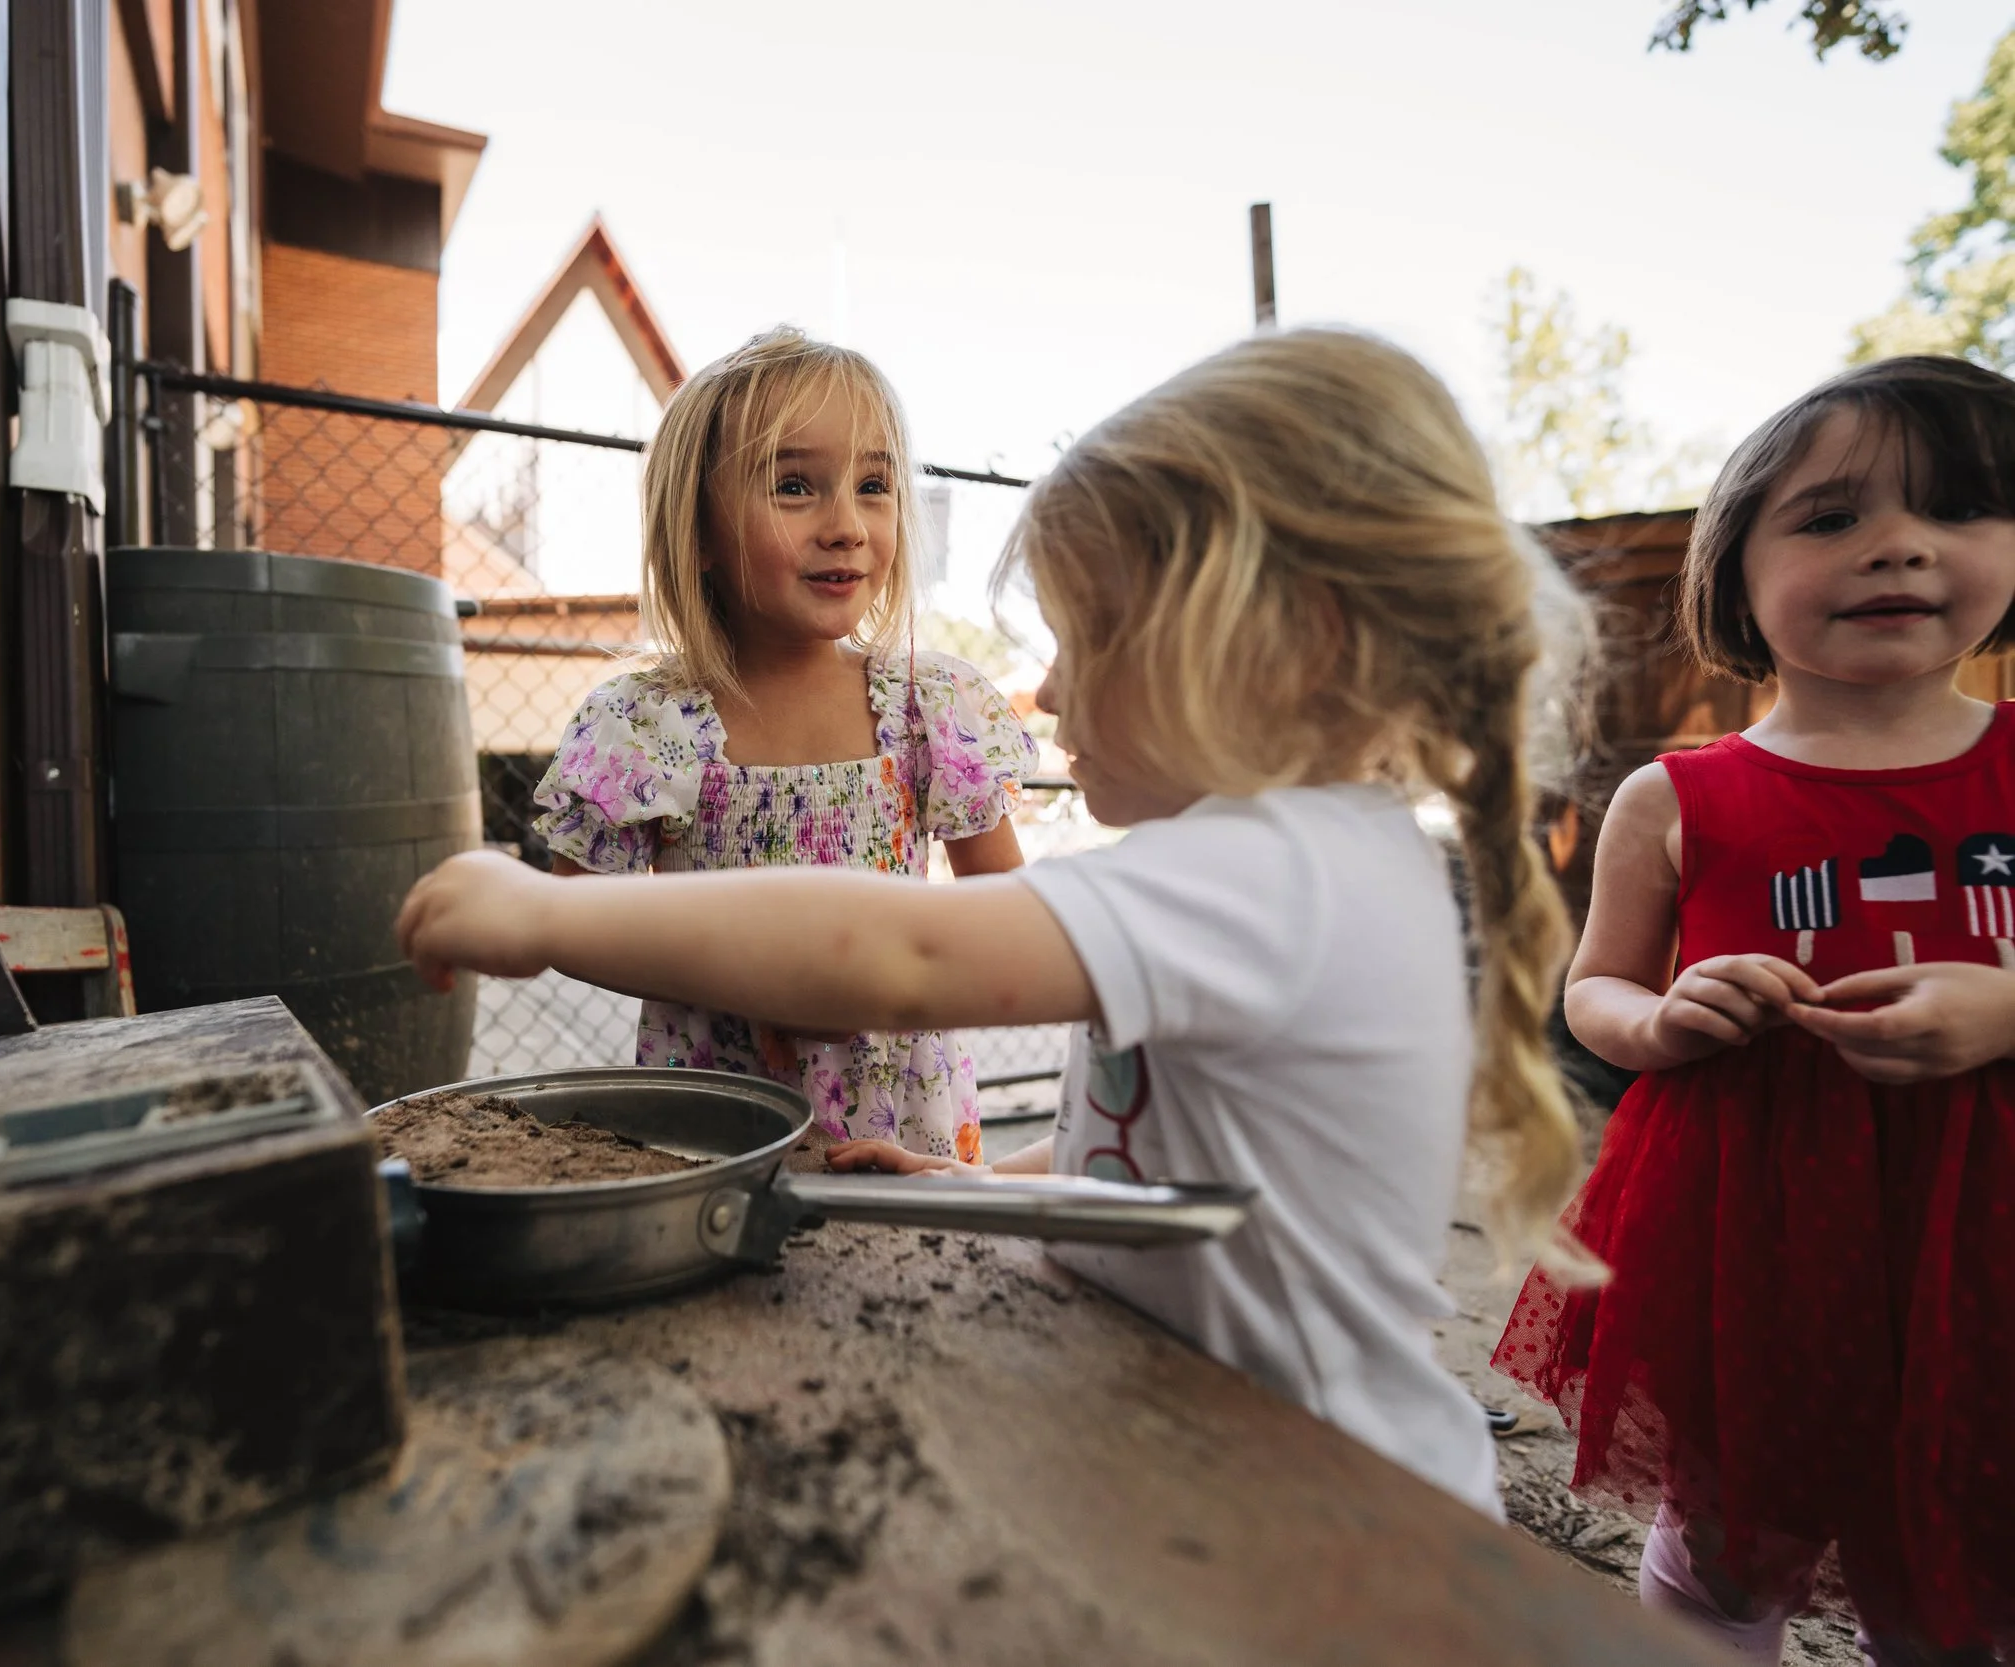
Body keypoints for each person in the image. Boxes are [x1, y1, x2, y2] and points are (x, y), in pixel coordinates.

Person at [404, 328, 1592, 1514]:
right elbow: (1140, 1147)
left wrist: (545, 911)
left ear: (1280, 643)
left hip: (1333, 1507)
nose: (1050, 690)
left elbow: (901, 953)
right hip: (1225, 1455)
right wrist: (962, 1181)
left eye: (1087, 637)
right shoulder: (1285, 861)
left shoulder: (1278, 873)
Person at [1494, 356, 2015, 1664]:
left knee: (1966, 1535)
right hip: (1754, 1222)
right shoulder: (1675, 796)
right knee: (1729, 1527)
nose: (1899, 544)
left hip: (1987, 1223)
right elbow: (1596, 991)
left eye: (1959, 507)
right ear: (1733, 575)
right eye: (1831, 517)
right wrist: (1664, 1020)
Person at [531, 326, 1034, 1163]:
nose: (847, 525)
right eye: (795, 486)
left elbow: (1011, 913)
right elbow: (571, 921)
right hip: (716, 1127)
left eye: (873, 485)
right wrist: (741, 976)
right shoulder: (646, 724)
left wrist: (897, 973)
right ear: (698, 531)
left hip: (903, 1127)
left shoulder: (927, 707)